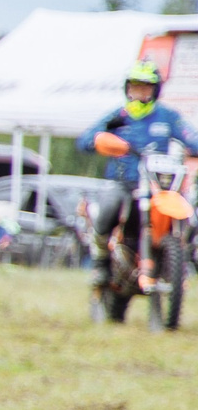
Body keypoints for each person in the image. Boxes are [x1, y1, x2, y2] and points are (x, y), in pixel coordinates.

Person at [78, 60, 195, 279]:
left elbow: (191, 137)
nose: (139, 91)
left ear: (155, 89)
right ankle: (101, 260)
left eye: (145, 86)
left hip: (158, 184)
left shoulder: (168, 117)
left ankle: (178, 259)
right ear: (127, 88)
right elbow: (86, 139)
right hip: (124, 182)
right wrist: (100, 142)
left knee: (187, 210)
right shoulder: (118, 117)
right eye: (135, 85)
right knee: (108, 207)